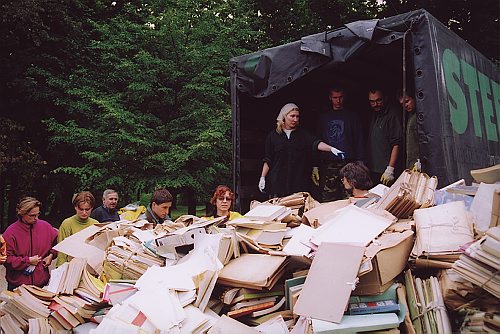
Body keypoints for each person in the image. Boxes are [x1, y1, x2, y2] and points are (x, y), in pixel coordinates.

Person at [258, 103, 344, 198]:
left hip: (298, 184)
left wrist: (330, 148)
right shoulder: (273, 136)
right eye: (292, 116)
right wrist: (262, 177)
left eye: (297, 116)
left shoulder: (303, 135)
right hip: (278, 184)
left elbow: (315, 143)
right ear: (284, 116)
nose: (295, 119)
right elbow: (268, 159)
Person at [313, 86, 366, 202]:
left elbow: (359, 140)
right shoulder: (323, 117)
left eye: (340, 97)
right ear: (330, 98)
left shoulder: (352, 116)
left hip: (348, 164)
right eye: (335, 97)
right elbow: (317, 141)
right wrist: (315, 165)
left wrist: (360, 162)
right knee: (328, 199)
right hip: (329, 165)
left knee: (350, 199)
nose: (338, 100)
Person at [3, 197, 58, 290]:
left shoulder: (46, 227)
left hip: (42, 284)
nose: (36, 218)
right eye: (32, 215)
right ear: (22, 214)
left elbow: (58, 244)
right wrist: (28, 261)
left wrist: (51, 255)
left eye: (38, 214)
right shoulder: (10, 233)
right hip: (18, 286)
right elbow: (6, 259)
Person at [367, 88, 403, 185]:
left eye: (379, 100)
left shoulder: (392, 114)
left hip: (386, 170)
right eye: (372, 102)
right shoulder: (373, 114)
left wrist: (390, 168)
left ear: (385, 98)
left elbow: (397, 144)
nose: (376, 104)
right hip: (374, 168)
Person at [56, 191, 98, 267]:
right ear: (75, 207)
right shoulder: (67, 224)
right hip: (72, 266)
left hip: (90, 266)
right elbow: (61, 251)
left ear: (92, 208)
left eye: (87, 209)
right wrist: (60, 269)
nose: (84, 213)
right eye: (81, 209)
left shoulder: (95, 224)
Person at [398, 89, 421, 171]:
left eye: (407, 101)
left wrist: (420, 161)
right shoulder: (410, 116)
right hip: (412, 165)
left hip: (420, 164)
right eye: (402, 104)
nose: (405, 105)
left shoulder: (420, 117)